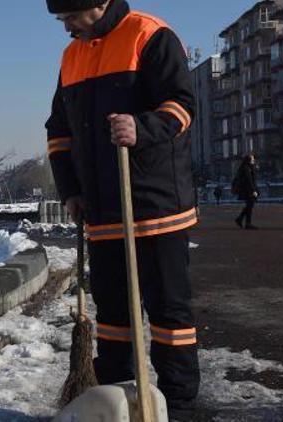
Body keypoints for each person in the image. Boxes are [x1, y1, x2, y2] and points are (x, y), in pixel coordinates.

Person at [44, 0, 199, 418]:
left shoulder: (148, 35)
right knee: (113, 318)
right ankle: (114, 405)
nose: (67, 27)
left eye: (70, 17)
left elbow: (183, 105)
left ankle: (178, 408)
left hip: (154, 204)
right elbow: (59, 130)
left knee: (169, 317)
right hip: (101, 210)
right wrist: (70, 190)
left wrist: (141, 127)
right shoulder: (72, 54)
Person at [233, 152, 259, 229]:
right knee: (249, 206)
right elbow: (249, 180)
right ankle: (247, 222)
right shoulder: (246, 168)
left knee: (249, 206)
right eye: (252, 159)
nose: (254, 160)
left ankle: (241, 219)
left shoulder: (246, 167)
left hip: (247, 190)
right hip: (248, 190)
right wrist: (253, 190)